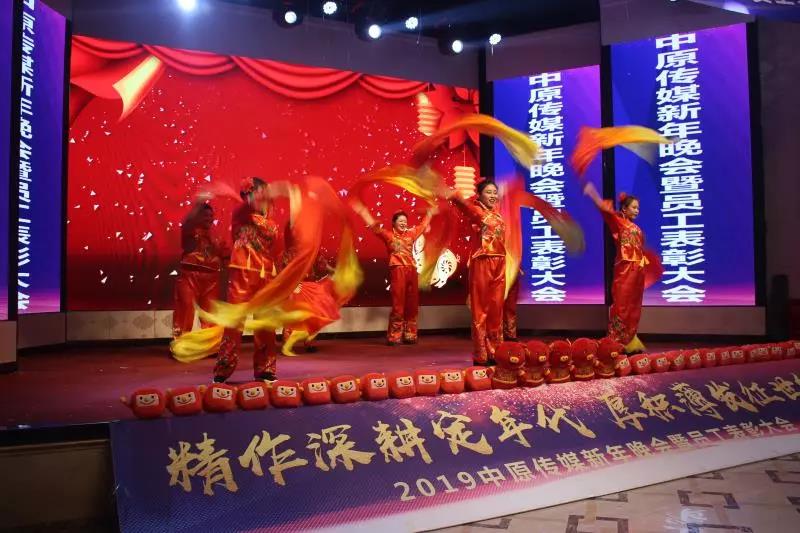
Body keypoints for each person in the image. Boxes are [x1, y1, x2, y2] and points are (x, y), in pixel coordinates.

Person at [213, 177, 285, 382]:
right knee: (234, 322)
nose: (265, 197)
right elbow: (249, 202)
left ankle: (266, 369)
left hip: (266, 274)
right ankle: (223, 371)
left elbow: (275, 250)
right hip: (243, 272)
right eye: (260, 192)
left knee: (266, 324)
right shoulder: (242, 213)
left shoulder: (270, 218)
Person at [583, 182, 651, 354]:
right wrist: (592, 193)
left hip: (638, 269)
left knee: (634, 305)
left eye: (638, 208)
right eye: (634, 207)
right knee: (621, 305)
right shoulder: (620, 222)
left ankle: (630, 339)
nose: (637, 210)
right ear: (624, 209)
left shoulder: (637, 228)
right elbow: (605, 210)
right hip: (625, 269)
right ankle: (615, 340)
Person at [354, 205, 433, 345]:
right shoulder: (389, 235)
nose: (404, 223)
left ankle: (410, 334)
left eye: (405, 221)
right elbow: (375, 228)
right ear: (394, 223)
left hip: (412, 270)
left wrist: (430, 213)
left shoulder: (411, 234)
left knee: (412, 304)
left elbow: (422, 226)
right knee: (398, 305)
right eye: (400, 221)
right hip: (398, 270)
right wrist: (364, 212)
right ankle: (394, 335)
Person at [447, 180, 506, 365]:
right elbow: (462, 203)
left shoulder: (497, 214)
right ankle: (481, 353)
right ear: (479, 195)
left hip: (500, 262)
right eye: (488, 192)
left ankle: (495, 350)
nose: (493, 195)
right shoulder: (477, 212)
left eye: (495, 192)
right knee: (481, 309)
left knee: (496, 308)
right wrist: (449, 192)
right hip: (482, 261)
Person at [172, 197, 230, 339]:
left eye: (211, 216)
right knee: (185, 310)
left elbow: (225, 255)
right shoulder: (190, 231)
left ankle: (208, 344)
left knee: (209, 315)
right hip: (189, 276)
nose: (209, 218)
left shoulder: (217, 237)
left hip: (211, 280)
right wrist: (198, 204)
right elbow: (187, 222)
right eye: (205, 215)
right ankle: (180, 342)